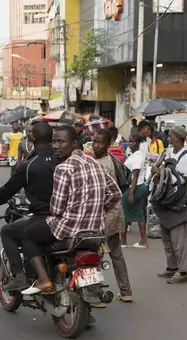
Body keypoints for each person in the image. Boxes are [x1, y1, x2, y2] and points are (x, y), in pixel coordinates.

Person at [19, 125, 121, 295]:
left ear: (74, 143)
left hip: (69, 229)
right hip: (95, 231)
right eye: (54, 142)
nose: (56, 146)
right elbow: (115, 194)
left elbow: (57, 210)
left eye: (61, 142)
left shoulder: (63, 168)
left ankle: (44, 280)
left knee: (28, 234)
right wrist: (98, 211)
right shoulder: (94, 163)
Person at [0, 122, 58, 291]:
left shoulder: (29, 165)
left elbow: (8, 190)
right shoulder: (61, 159)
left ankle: (20, 276)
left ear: (33, 138)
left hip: (44, 217)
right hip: (67, 218)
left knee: (8, 231)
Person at [91, 129, 133, 303]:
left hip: (103, 214)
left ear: (108, 145)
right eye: (94, 141)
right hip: (115, 213)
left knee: (94, 255)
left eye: (100, 142)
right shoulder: (109, 161)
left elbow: (98, 195)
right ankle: (126, 291)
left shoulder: (101, 165)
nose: (96, 145)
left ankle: (95, 295)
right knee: (116, 253)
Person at [151, 126, 187, 284]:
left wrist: (160, 172)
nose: (168, 139)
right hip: (166, 200)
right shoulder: (170, 152)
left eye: (170, 136)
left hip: (177, 200)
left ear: (177, 137)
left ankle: (182, 271)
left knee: (178, 239)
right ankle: (172, 267)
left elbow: (181, 179)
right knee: (166, 236)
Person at [121, 134, 149, 248]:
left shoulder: (137, 156)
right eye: (129, 141)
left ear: (137, 143)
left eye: (133, 142)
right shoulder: (134, 155)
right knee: (138, 213)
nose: (130, 144)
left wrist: (131, 193)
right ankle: (143, 241)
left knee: (124, 213)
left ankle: (123, 241)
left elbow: (135, 175)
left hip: (135, 187)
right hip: (138, 187)